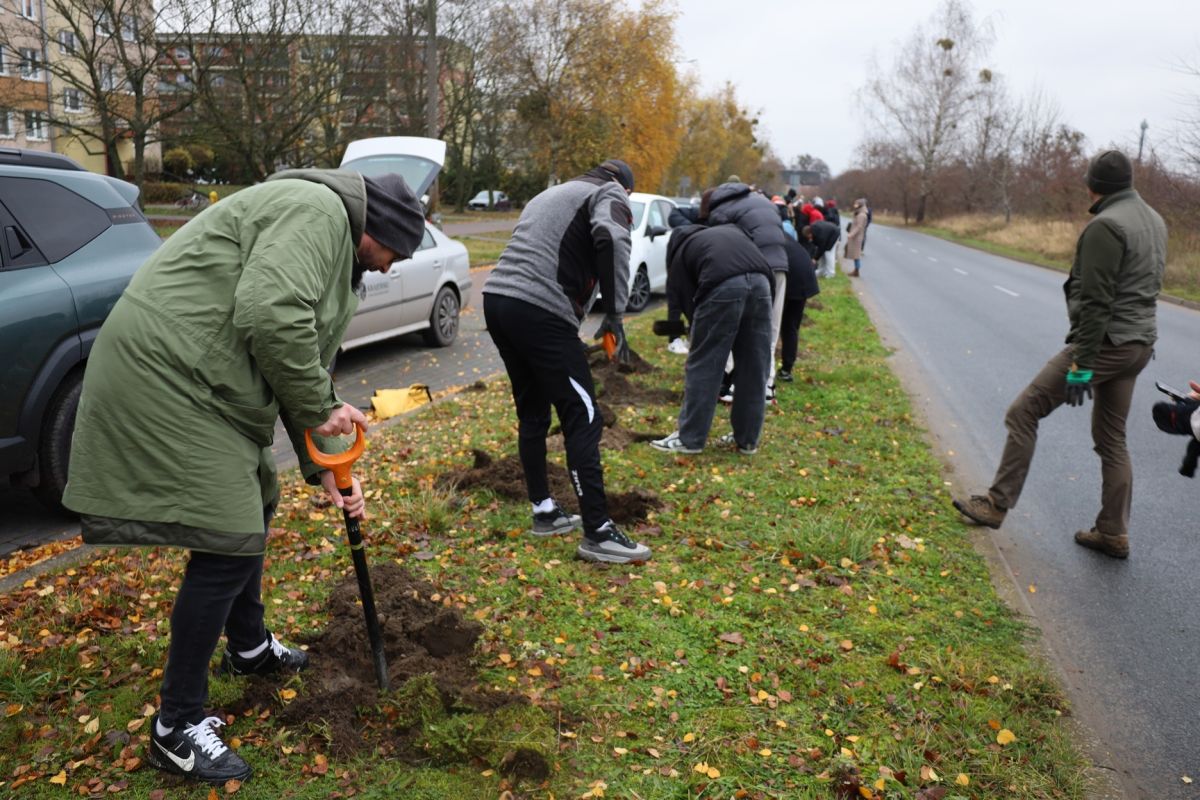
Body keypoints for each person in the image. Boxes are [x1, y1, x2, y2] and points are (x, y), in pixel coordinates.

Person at [63, 169, 427, 784]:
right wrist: (320, 408)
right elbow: (271, 315)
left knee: (257, 497)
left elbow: (297, 361)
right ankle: (176, 727)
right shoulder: (317, 213)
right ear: (379, 230)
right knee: (226, 539)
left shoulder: (335, 242)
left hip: (209, 379)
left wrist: (326, 467)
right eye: (396, 253)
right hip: (169, 373)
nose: (392, 268)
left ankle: (250, 648)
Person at [952, 150, 1167, 559]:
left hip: (1106, 344)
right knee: (1112, 438)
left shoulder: (1106, 225)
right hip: (1138, 346)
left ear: (1094, 186)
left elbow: (1098, 303)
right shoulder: (1154, 220)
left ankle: (996, 504)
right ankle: (1113, 532)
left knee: (1024, 411)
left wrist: (1082, 368)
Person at [482, 159, 652, 565]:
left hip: (498, 302)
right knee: (584, 415)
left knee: (534, 412)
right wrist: (615, 313)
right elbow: (611, 238)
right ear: (624, 188)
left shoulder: (551, 192)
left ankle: (544, 511)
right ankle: (598, 531)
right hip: (540, 309)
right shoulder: (609, 193)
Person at [650, 222, 774, 455]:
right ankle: (747, 440)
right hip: (763, 286)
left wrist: (696, 336)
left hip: (722, 284)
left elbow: (685, 302)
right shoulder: (728, 233)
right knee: (754, 365)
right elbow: (763, 273)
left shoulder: (681, 252)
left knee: (705, 364)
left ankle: (690, 439)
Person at [703, 180, 789, 398]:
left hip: (752, 269)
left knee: (738, 325)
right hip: (780, 266)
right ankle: (767, 386)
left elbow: (719, 245)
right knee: (771, 328)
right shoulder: (765, 203)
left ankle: (732, 381)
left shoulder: (722, 212)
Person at [778, 236, 820, 382]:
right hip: (804, 276)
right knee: (791, 326)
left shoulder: (763, 237)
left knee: (780, 324)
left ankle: (777, 368)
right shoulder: (783, 236)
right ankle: (786, 370)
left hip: (793, 279)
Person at [844, 198, 869, 276]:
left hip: (856, 238)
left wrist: (851, 234)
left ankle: (856, 271)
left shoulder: (861, 215)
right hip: (856, 237)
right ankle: (856, 270)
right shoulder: (859, 213)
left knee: (856, 255)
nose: (855, 205)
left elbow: (859, 227)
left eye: (857, 204)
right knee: (855, 255)